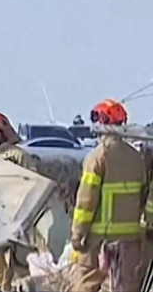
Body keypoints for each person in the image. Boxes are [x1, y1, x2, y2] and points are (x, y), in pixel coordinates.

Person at [70, 99, 146, 292]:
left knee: (86, 284)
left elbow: (86, 202)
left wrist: (78, 235)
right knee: (124, 287)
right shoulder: (137, 158)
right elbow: (143, 197)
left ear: (103, 121)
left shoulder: (97, 157)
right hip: (129, 243)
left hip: (97, 242)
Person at [0, 112, 40, 291]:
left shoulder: (18, 156)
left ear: (2, 133)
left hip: (15, 220)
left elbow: (33, 185)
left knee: (14, 268)